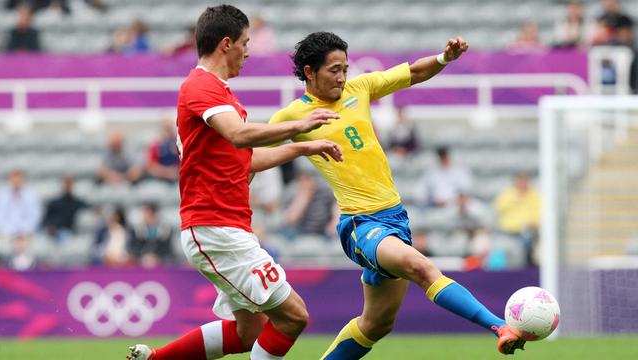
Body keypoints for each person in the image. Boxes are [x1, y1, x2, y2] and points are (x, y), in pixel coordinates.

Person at [269, 32, 525, 358]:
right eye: (334, 69)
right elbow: (250, 147)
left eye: (345, 68)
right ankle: (499, 326)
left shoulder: (358, 89)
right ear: (309, 72)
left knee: (376, 324)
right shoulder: (292, 116)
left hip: (395, 218)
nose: (342, 76)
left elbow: (415, 72)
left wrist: (445, 58)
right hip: (361, 225)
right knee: (421, 267)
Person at [127, 5, 343, 360]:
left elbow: (246, 162)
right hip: (214, 226)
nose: (248, 50)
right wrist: (298, 125)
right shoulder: (201, 86)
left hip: (227, 225)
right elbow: (240, 135)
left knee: (248, 333)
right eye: (245, 42)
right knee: (293, 316)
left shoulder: (222, 94)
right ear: (226, 44)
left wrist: (304, 147)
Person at [493, 172, 541, 267]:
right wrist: (514, 199)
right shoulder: (508, 194)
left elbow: (540, 214)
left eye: (524, 181)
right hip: (506, 231)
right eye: (520, 180)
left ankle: (525, 266)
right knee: (498, 245)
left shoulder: (535, 195)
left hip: (526, 231)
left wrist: (533, 223)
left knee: (527, 239)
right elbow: (498, 207)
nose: (522, 183)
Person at [41, 175, 89, 242]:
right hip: (51, 231)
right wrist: (50, 227)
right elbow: (45, 219)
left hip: (66, 232)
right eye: (66, 183)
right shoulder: (54, 202)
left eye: (69, 183)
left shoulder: (76, 202)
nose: (67, 186)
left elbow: (88, 207)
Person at [130, 202, 174, 268]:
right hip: (141, 260)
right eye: (145, 215)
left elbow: (167, 249)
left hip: (160, 260)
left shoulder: (165, 230)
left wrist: (157, 257)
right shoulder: (137, 230)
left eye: (149, 215)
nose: (145, 217)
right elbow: (134, 248)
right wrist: (143, 257)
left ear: (155, 215)